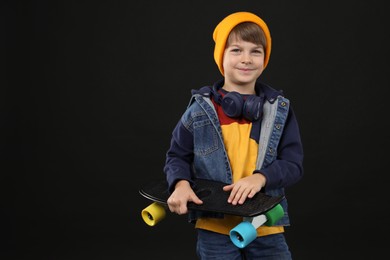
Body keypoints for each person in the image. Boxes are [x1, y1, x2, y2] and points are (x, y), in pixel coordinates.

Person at [163, 11, 304, 260]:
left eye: (256, 51)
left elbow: (293, 165)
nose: (246, 59)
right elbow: (177, 156)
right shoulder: (200, 111)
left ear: (265, 58)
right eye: (236, 50)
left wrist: (261, 178)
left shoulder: (278, 110)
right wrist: (181, 183)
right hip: (215, 227)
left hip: (264, 224)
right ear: (221, 56)